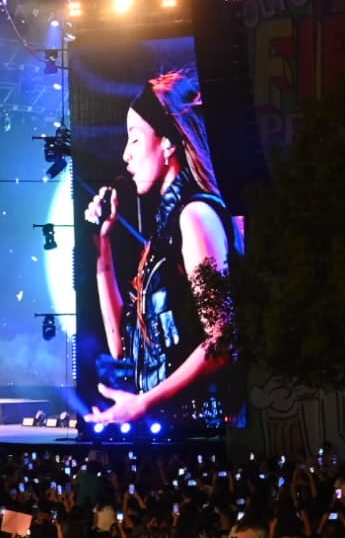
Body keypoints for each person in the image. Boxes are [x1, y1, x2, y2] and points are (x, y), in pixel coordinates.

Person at [85, 66, 238, 428]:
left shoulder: (195, 216)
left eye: (134, 138)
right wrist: (102, 244)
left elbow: (222, 343)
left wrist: (142, 405)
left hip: (203, 432)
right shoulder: (164, 236)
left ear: (167, 143)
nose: (125, 154)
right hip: (173, 430)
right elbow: (120, 346)